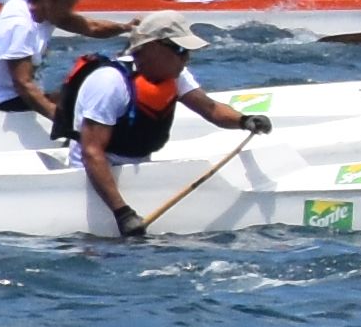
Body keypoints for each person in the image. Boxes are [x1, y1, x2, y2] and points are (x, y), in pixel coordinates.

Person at [69, 29, 268, 235]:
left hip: (135, 171)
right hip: (89, 177)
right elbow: (91, 153)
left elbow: (210, 109)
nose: (186, 58)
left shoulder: (175, 75)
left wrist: (244, 121)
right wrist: (122, 213)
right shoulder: (110, 82)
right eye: (181, 50)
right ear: (153, 48)